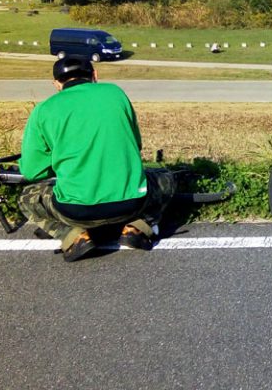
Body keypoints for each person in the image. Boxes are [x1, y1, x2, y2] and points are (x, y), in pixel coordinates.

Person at [18, 56, 173, 262]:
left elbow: (31, 171)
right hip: (131, 205)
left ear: (56, 84)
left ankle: (73, 236)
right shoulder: (115, 93)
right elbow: (136, 145)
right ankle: (137, 227)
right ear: (95, 76)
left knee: (26, 198)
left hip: (75, 211)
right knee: (166, 178)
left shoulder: (43, 110)